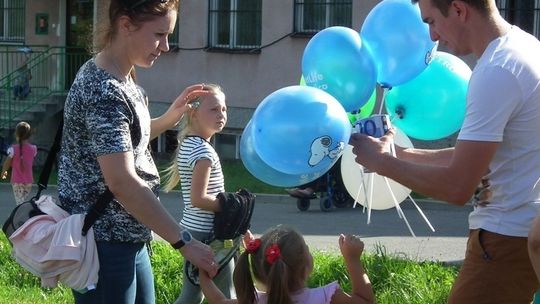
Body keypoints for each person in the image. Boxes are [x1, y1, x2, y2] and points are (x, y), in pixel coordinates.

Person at [349, 0, 540, 303]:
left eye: (432, 22)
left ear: (459, 9)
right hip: (520, 234)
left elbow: (458, 186)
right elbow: (473, 158)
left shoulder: (497, 71)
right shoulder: (524, 47)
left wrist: (383, 163)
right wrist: (398, 154)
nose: (433, 36)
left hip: (504, 240)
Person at [57, 1, 218, 303]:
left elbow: (126, 145)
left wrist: (170, 117)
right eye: (159, 34)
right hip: (104, 245)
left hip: (129, 237)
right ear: (126, 25)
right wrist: (184, 242)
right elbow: (122, 181)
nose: (166, 46)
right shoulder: (104, 90)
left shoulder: (124, 77)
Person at [161, 84, 234, 304]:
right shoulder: (203, 152)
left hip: (193, 232)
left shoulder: (189, 145)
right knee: (227, 293)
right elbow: (198, 198)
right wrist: (231, 205)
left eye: (224, 109)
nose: (221, 114)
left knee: (193, 294)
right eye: (214, 109)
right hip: (209, 236)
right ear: (193, 113)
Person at [198, 225, 374, 304]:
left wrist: (202, 270)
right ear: (306, 265)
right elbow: (365, 302)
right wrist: (352, 260)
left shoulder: (253, 301)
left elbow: (218, 300)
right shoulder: (327, 298)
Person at [1, 121, 37, 205]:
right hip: (28, 181)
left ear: (16, 134)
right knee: (22, 201)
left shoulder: (13, 149)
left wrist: (4, 174)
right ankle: (22, 216)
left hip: (17, 181)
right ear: (29, 135)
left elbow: (7, 164)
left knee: (20, 203)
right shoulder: (34, 149)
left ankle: (20, 217)